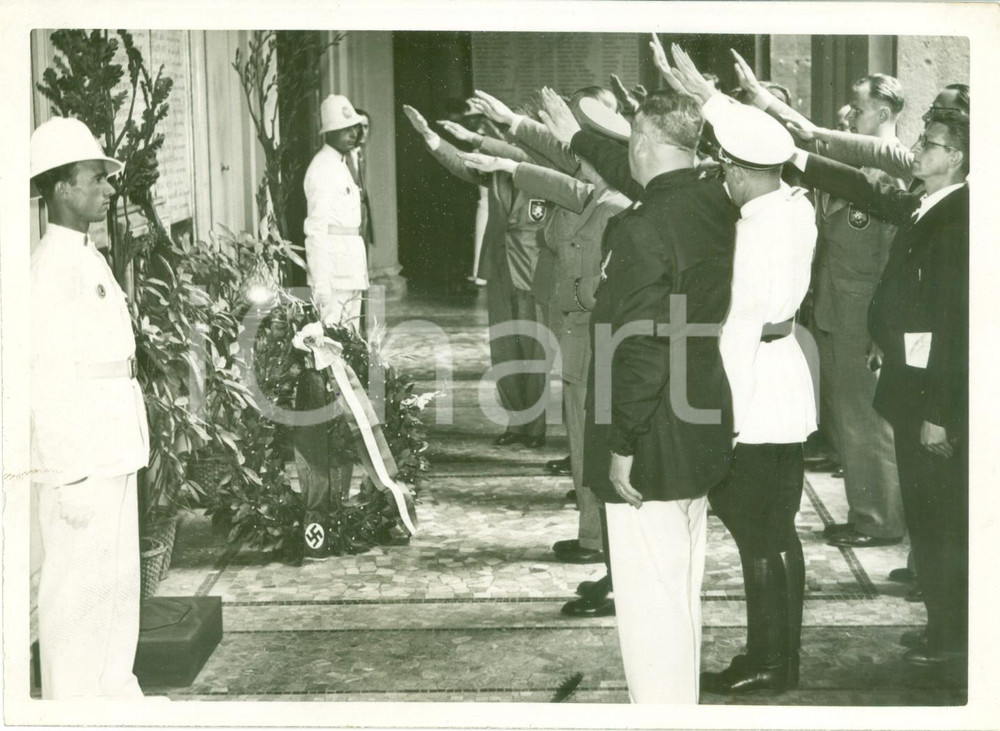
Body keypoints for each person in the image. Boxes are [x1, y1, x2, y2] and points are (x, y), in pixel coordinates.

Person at [660, 41, 817, 695]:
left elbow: (739, 331)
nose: (722, 174)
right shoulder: (795, 205)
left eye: (727, 165)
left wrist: (720, 418)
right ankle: (779, 656)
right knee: (778, 528)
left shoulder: (755, 230)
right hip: (788, 386)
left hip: (754, 392)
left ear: (746, 170)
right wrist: (713, 99)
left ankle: (768, 663)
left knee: (757, 532)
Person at [577, 80, 738, 702]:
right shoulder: (710, 200)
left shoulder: (641, 228)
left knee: (649, 603)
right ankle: (682, 703)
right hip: (697, 414)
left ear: (643, 141)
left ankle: (663, 711)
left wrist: (622, 441)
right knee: (680, 586)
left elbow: (639, 348)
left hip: (652, 433)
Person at [791, 109, 969, 668]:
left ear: (957, 157)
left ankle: (954, 636)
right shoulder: (929, 203)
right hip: (911, 383)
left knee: (942, 521)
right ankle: (944, 625)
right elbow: (859, 183)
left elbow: (955, 324)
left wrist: (940, 411)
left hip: (932, 398)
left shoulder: (962, 218)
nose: (919, 149)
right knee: (928, 516)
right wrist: (796, 156)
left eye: (931, 143)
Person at [29, 116, 150, 698]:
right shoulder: (49, 270)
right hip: (82, 458)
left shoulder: (88, 257)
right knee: (75, 591)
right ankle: (71, 706)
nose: (107, 189)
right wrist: (67, 474)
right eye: (95, 179)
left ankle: (113, 693)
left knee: (117, 584)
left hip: (114, 445)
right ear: (59, 189)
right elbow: (46, 380)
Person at [404, 103, 550, 447]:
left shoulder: (547, 168)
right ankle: (515, 422)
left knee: (534, 350)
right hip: (500, 268)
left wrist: (477, 138)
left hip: (535, 271)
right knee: (504, 348)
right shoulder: (497, 170)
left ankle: (535, 428)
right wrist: (430, 136)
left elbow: (515, 155)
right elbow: (461, 163)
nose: (508, 137)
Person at [303, 94, 368, 331]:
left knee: (351, 341)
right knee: (332, 344)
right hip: (333, 275)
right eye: (344, 129)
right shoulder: (321, 168)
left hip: (350, 269)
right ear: (328, 133)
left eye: (353, 128)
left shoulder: (341, 165)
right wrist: (320, 283)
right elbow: (316, 230)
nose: (352, 134)